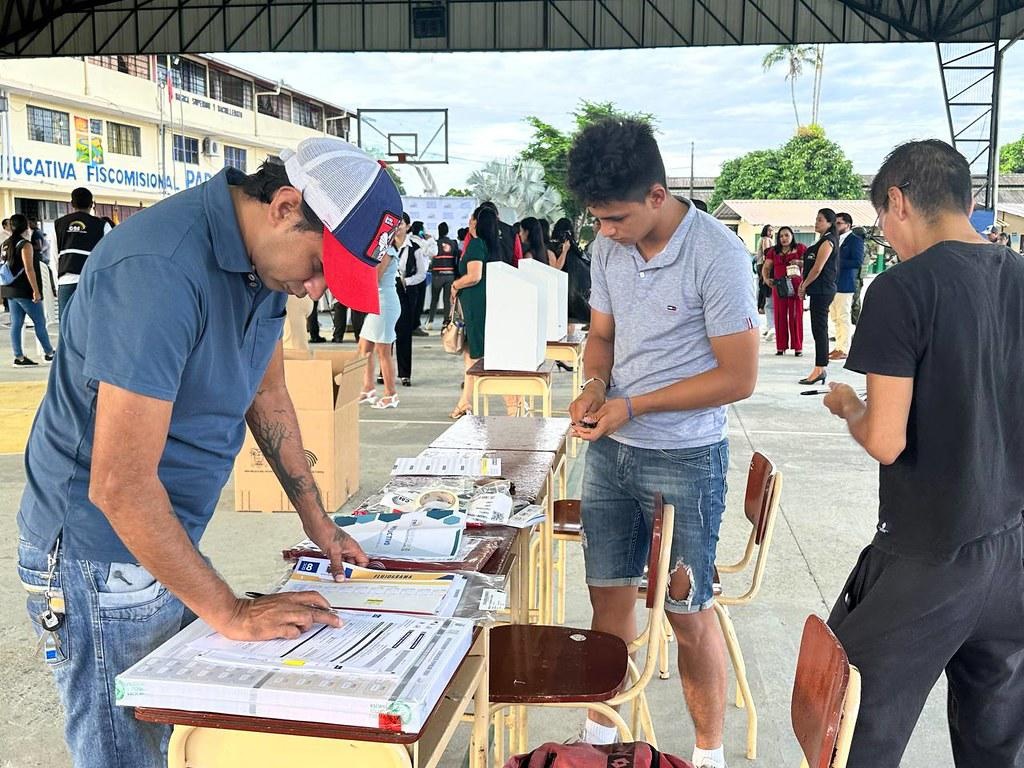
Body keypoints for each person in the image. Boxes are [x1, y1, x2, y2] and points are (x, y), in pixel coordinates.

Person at [15, 137, 400, 768]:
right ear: (283, 205)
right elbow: (119, 485)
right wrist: (231, 610)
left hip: (163, 535)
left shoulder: (262, 265)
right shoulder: (160, 269)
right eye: (319, 266)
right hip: (97, 554)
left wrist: (318, 521)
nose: (315, 290)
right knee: (124, 751)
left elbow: (268, 394)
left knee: (173, 739)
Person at [822, 139, 1024, 768]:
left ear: (899, 201)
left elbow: (886, 439)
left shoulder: (900, 290)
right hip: (1013, 548)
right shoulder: (1019, 275)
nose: (886, 232)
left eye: (882, 217)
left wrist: (850, 407)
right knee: (996, 742)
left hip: (928, 555)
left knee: (847, 727)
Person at [565, 119, 759, 768]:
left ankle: (709, 755)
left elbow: (739, 377)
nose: (606, 232)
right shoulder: (608, 249)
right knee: (607, 598)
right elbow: (602, 338)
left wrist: (632, 405)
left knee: (686, 611)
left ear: (656, 195)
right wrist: (595, 385)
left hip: (685, 459)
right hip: (611, 452)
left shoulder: (718, 256)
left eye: (615, 217)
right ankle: (597, 742)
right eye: (596, 219)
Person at [448, 206, 501, 419]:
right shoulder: (488, 245)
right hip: (476, 305)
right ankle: (465, 402)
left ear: (477, 222)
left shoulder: (477, 244)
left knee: (479, 355)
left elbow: (474, 275)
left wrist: (455, 285)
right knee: (471, 356)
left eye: (472, 218)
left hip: (475, 307)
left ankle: (512, 401)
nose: (469, 221)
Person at [359, 215, 404, 408]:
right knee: (363, 349)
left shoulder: (386, 251)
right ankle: (368, 388)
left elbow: (375, 277)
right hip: (378, 304)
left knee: (383, 351)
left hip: (384, 304)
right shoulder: (383, 250)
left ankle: (390, 394)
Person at [1, 213, 56, 366]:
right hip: (24, 290)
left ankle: (19, 357)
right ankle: (49, 353)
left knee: (17, 322)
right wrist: (36, 290)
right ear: (25, 226)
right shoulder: (25, 245)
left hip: (9, 289)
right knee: (39, 321)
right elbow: (29, 269)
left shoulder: (5, 244)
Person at [55, 187, 112, 322]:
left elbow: (53, 257)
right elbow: (109, 256)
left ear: (72, 204)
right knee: (92, 326)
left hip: (66, 281)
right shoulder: (102, 225)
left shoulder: (58, 224)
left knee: (66, 328)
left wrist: (57, 282)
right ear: (92, 204)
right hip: (92, 282)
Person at [797, 207, 839, 385]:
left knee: (820, 329)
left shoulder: (828, 242)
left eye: (820, 219)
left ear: (830, 223)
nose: (816, 222)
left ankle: (820, 368)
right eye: (816, 219)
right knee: (817, 329)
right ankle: (819, 367)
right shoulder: (822, 241)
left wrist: (803, 284)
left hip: (822, 290)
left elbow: (818, 268)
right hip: (818, 290)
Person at [395, 216, 433, 386]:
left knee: (403, 332)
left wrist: (406, 281)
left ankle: (404, 373)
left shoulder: (415, 247)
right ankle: (384, 370)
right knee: (386, 334)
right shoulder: (384, 246)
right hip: (387, 292)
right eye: (394, 223)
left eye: (401, 223)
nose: (397, 227)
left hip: (406, 292)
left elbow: (421, 274)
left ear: (408, 226)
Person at [761, 225, 805, 356]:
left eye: (786, 235)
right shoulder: (773, 251)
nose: (784, 238)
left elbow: (810, 264)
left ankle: (798, 347)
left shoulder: (801, 249)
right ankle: (781, 347)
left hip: (797, 286)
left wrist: (799, 262)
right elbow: (766, 267)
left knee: (796, 315)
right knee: (779, 315)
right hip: (779, 286)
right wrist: (766, 278)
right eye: (781, 236)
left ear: (792, 236)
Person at [828, 212, 864, 361]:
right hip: (832, 283)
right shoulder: (834, 239)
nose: (836, 226)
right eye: (835, 223)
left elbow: (857, 261)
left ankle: (844, 349)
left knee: (843, 316)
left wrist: (836, 262)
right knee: (835, 317)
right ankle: (838, 346)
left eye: (839, 223)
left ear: (847, 225)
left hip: (845, 283)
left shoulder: (854, 240)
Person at [553, 217, 591, 332]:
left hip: (561, 298)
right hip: (577, 300)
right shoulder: (578, 254)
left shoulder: (553, 250)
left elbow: (555, 269)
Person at [427, 221, 459, 329]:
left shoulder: (436, 243)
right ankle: (446, 322)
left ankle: (430, 321)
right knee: (447, 300)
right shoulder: (453, 243)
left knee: (434, 299)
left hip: (437, 275)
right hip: (450, 275)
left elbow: (431, 258)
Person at [756, 225, 775, 341]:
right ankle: (770, 325)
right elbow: (765, 254)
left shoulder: (766, 239)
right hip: (764, 266)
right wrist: (766, 272)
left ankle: (770, 326)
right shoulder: (766, 240)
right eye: (769, 230)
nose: (770, 232)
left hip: (763, 266)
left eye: (772, 231)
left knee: (766, 294)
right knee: (765, 290)